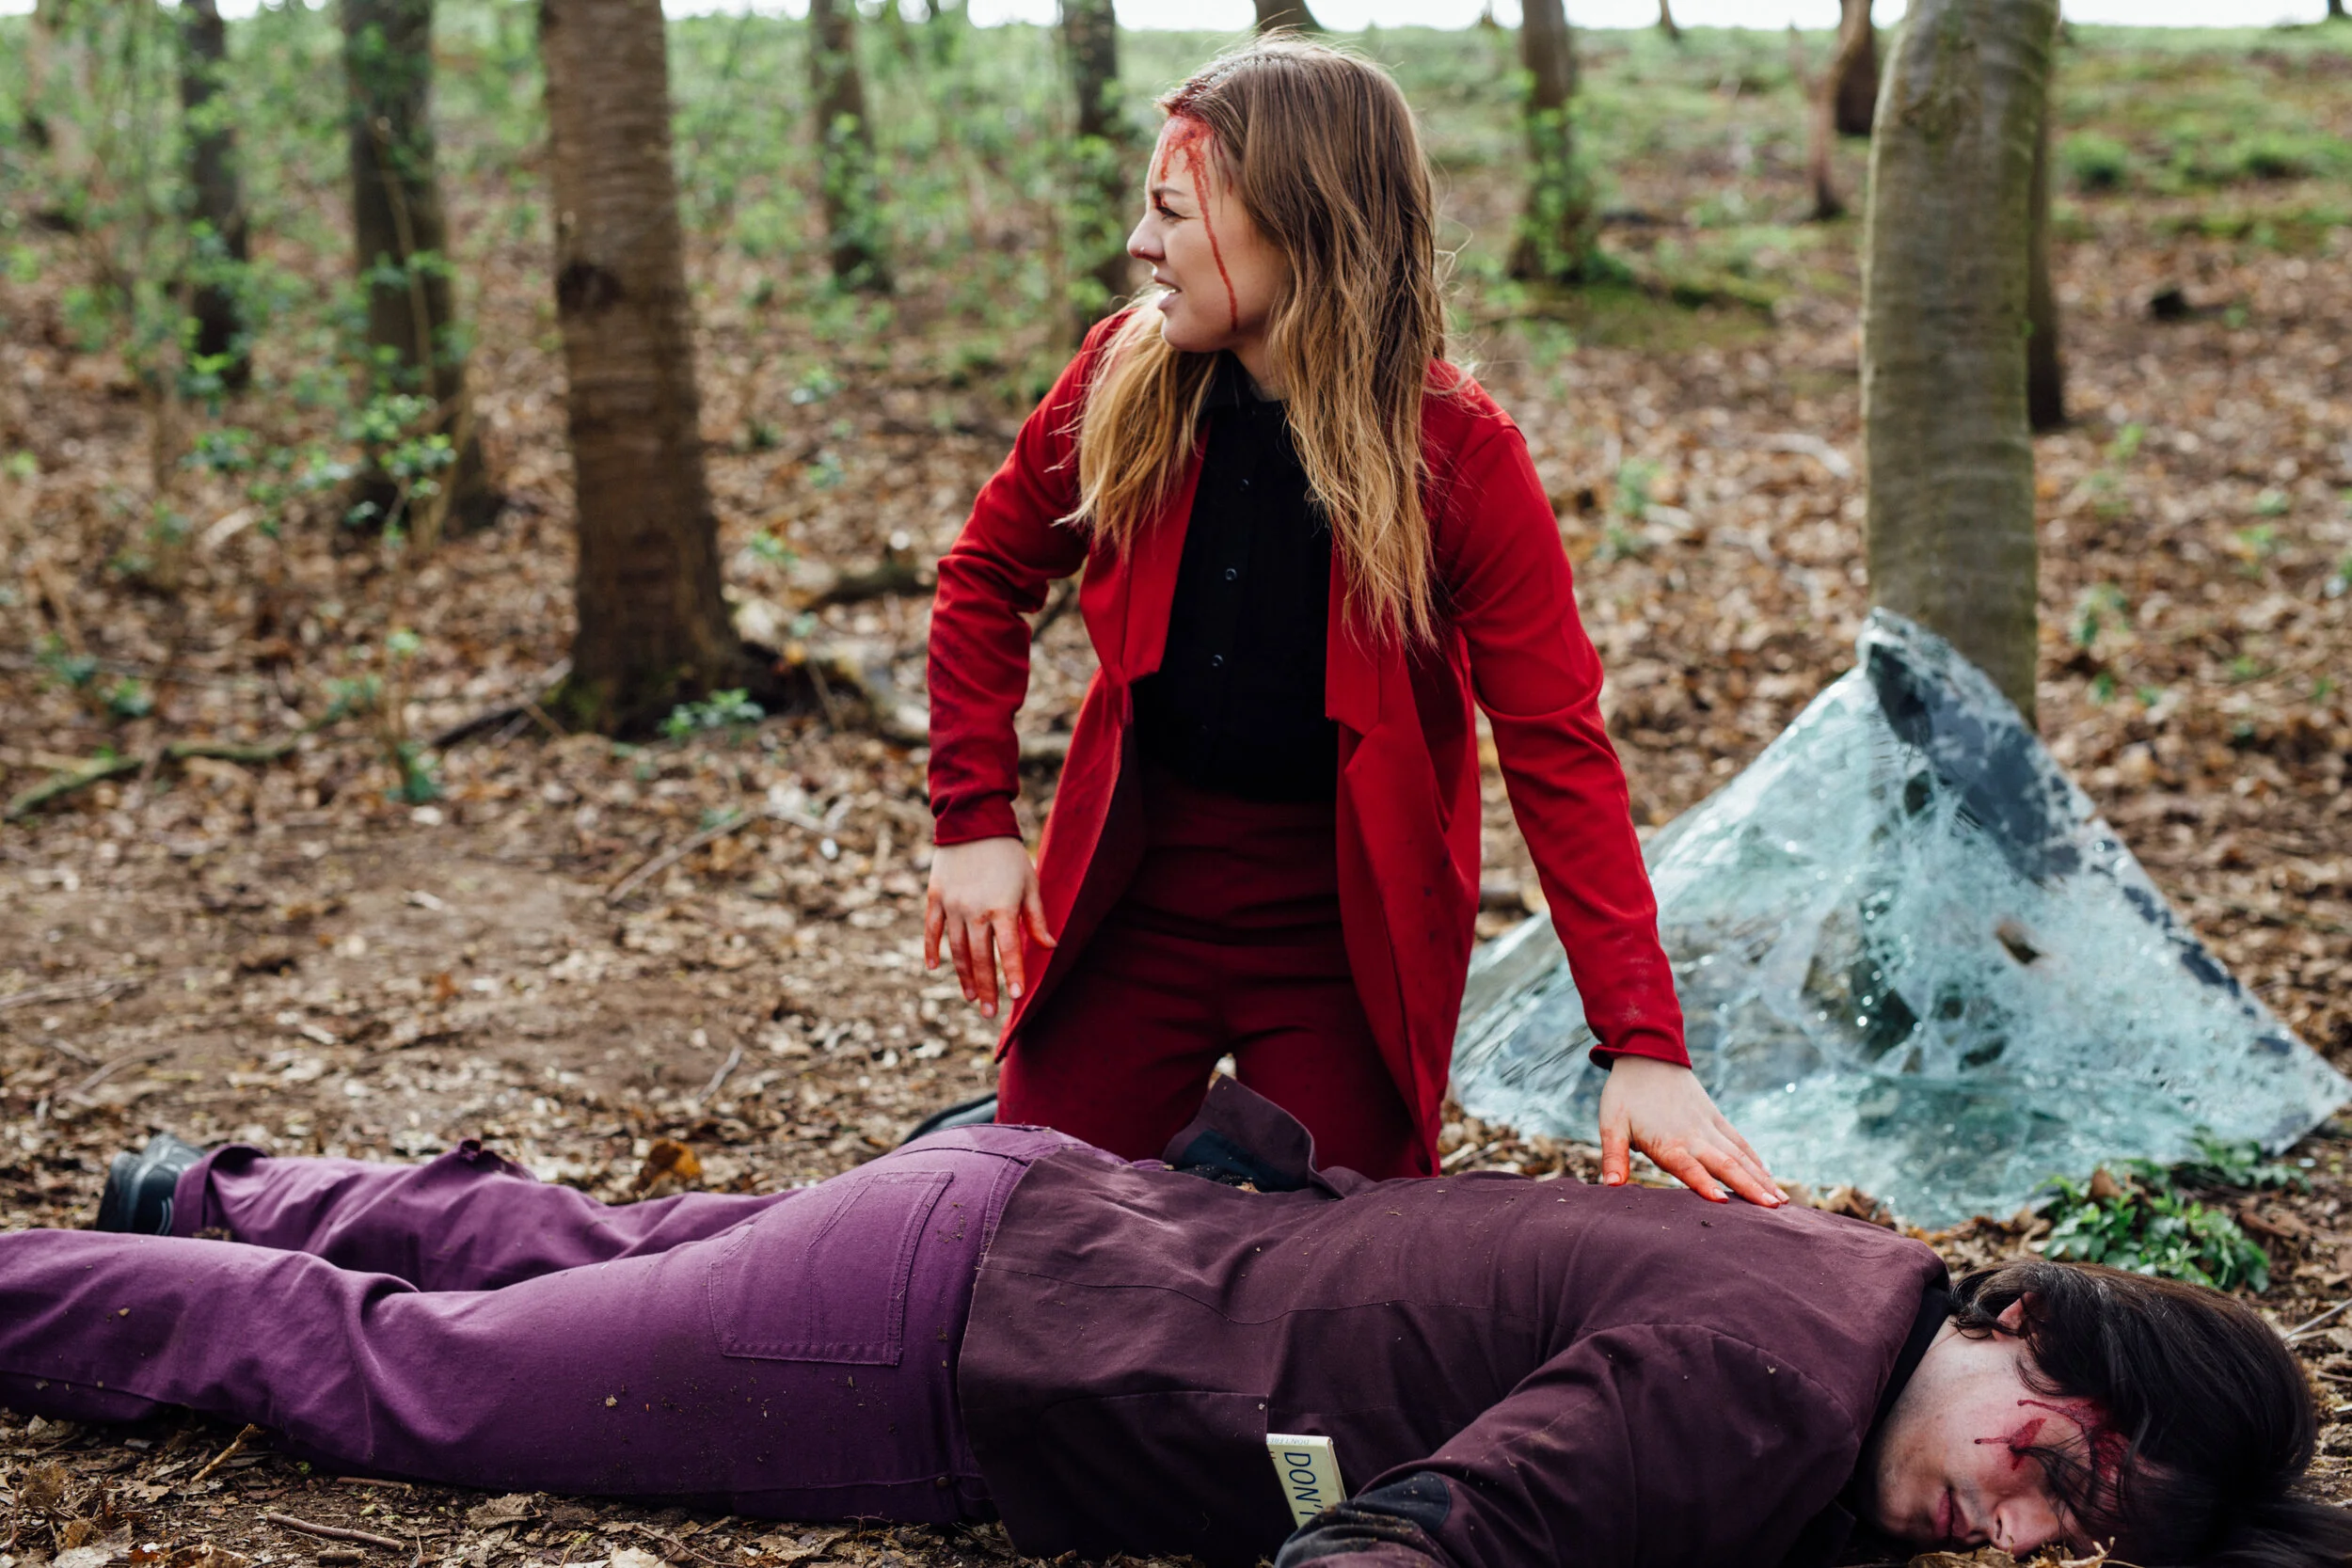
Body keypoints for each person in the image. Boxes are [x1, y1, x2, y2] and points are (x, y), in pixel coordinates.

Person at [11, 1091, 2346, 1568]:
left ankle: (198, 1189)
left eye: (2074, 1542)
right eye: (2059, 1464)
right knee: (415, 1373)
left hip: (1041, 1216)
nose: (2018, 1528)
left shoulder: (1842, 1279)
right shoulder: (1759, 1393)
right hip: (957, 1340)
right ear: (2038, 1330)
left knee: (578, 1248)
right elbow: (1414, 1538)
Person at [923, 38, 1770, 1196]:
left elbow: (1557, 750)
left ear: (1298, 227)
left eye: (1171, 213)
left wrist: (1642, 1041)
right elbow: (986, 571)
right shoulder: (1119, 377)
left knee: (1351, 1254)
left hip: (1341, 931)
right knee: (1025, 1209)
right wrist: (972, 818)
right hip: (1131, 901)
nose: (1137, 244)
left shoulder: (1458, 456)